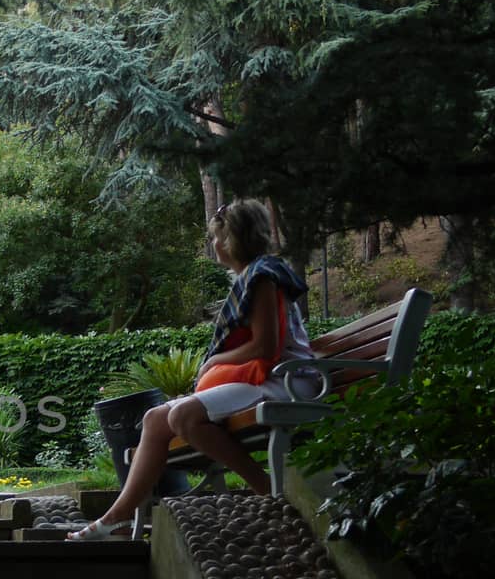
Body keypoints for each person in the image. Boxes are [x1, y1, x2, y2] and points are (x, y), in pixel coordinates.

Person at [68, 198, 318, 540]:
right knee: (155, 418)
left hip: (285, 380)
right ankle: (120, 515)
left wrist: (214, 362)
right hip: (262, 378)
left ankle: (270, 492)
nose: (213, 244)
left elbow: (266, 348)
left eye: (217, 236)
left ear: (233, 239)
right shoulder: (253, 275)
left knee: (184, 416)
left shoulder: (263, 277)